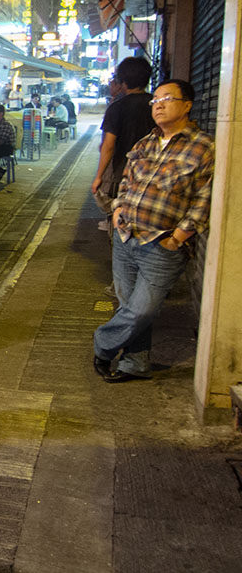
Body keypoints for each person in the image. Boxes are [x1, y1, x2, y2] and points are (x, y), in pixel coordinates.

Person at [93, 79, 214, 382]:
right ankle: (134, 364)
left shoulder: (203, 148)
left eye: (167, 98)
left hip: (161, 244)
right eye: (155, 100)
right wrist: (118, 207)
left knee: (142, 310)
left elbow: (205, 198)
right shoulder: (146, 142)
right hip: (125, 236)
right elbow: (126, 179)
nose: (158, 105)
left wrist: (178, 237)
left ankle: (103, 346)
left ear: (187, 105)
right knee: (129, 305)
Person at [91, 58, 155, 223]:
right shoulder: (155, 105)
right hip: (155, 171)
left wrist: (99, 176)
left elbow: (108, 146)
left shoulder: (117, 107)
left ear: (123, 81)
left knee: (122, 218)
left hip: (124, 171)